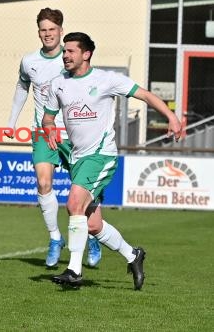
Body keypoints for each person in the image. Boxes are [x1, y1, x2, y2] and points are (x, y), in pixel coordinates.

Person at [42, 32, 183, 289]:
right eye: (64, 51)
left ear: (86, 54)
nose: (65, 55)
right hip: (78, 158)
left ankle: (74, 270)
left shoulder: (107, 79)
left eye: (71, 51)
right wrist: (49, 127)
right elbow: (48, 117)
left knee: (74, 203)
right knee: (93, 225)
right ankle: (133, 255)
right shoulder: (57, 83)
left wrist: (171, 117)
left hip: (101, 155)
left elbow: (146, 95)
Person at [5, 8, 102, 268]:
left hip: (74, 133)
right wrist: (10, 123)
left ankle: (93, 235)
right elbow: (21, 88)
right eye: (43, 30)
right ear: (38, 32)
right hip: (42, 131)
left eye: (52, 30)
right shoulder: (29, 61)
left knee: (83, 191)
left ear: (60, 31)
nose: (47, 34)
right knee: (44, 183)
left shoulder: (71, 58)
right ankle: (55, 238)